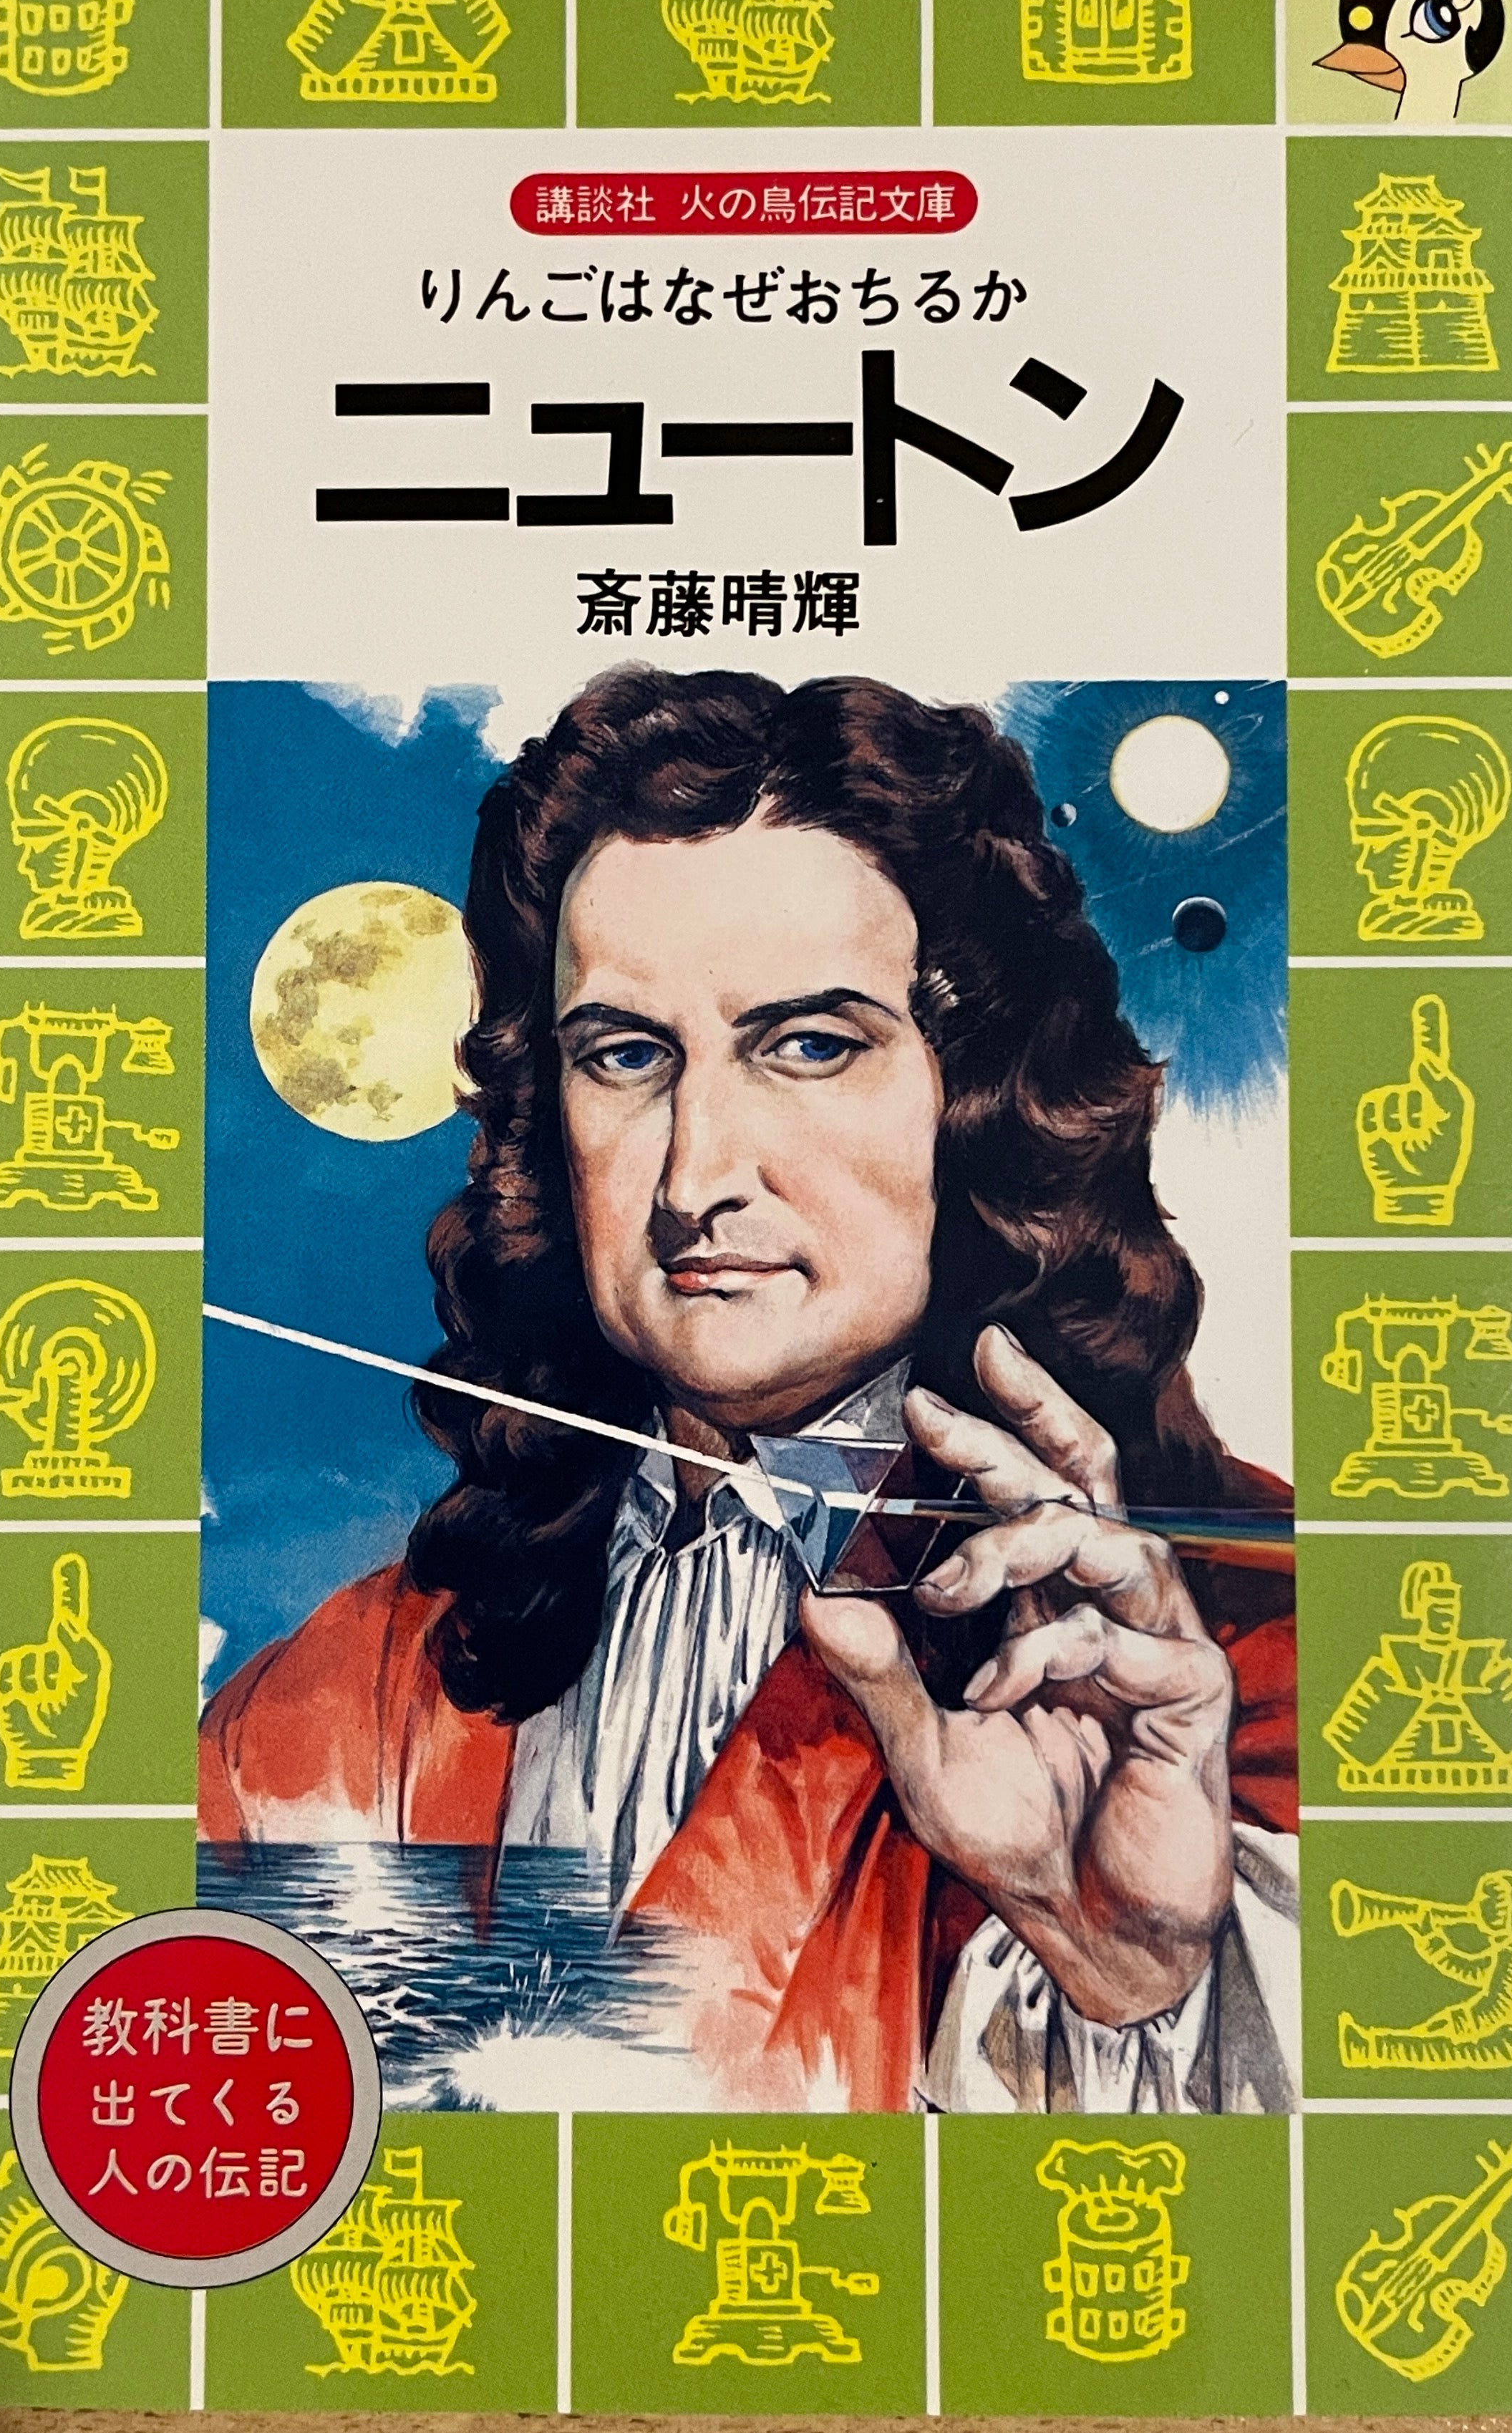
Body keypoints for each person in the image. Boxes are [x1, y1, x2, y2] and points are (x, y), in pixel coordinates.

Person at [200, 668, 1299, 2112]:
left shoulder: (1242, 1636)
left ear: (978, 1092)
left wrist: (1135, 1983)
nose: (696, 1174)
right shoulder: (358, 1685)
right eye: (624, 1056)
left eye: (811, 1046)